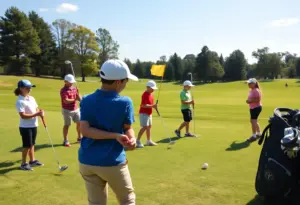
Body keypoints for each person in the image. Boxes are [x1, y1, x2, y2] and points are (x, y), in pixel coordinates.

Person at [79, 59, 137, 205]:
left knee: (96, 203)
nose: (126, 84)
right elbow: (126, 127)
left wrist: (131, 138)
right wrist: (117, 136)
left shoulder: (86, 100)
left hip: (87, 161)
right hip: (112, 162)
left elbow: (85, 130)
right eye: (125, 81)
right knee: (127, 200)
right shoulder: (125, 102)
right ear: (118, 82)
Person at [14, 80, 44, 171]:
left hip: (34, 124)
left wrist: (40, 112)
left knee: (32, 144)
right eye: (27, 88)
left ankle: (32, 160)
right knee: (26, 145)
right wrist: (36, 114)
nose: (30, 89)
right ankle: (23, 163)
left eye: (30, 87)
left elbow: (36, 108)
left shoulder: (31, 98)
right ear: (21, 89)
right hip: (25, 127)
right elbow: (23, 115)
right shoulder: (20, 101)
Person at [60, 74, 82, 147]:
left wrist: (78, 94)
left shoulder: (74, 88)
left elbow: (79, 99)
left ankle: (79, 137)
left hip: (75, 109)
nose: (71, 83)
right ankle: (65, 140)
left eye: (72, 82)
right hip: (67, 110)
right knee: (67, 125)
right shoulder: (63, 90)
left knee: (79, 123)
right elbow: (66, 101)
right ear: (65, 81)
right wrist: (75, 99)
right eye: (70, 82)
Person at [136, 80, 158, 148]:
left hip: (149, 113)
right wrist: (153, 106)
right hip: (143, 113)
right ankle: (138, 141)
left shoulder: (151, 95)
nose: (153, 90)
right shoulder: (145, 94)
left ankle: (148, 141)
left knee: (149, 127)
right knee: (144, 127)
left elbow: (151, 105)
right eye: (152, 88)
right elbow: (143, 105)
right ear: (148, 87)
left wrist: (154, 107)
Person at [246, 78, 262, 142]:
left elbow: (258, 100)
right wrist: (249, 101)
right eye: (248, 83)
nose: (248, 84)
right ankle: (259, 133)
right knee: (253, 121)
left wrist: (249, 101)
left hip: (256, 108)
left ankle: (254, 136)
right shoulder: (252, 90)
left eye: (250, 83)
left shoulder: (256, 90)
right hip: (253, 108)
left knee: (253, 121)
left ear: (254, 84)